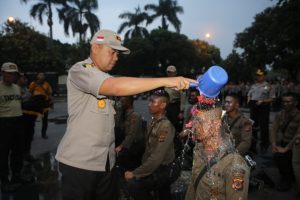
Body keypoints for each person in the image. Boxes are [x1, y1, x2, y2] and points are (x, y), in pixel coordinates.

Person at [55, 29, 196, 200]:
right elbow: (115, 86)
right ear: (95, 48)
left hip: (105, 163)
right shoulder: (81, 70)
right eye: (112, 52)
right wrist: (168, 80)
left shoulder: (104, 76)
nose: (116, 57)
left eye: (118, 54)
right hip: (80, 164)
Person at [185, 95, 250, 200]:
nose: (193, 126)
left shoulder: (234, 164)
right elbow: (193, 185)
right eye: (194, 120)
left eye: (200, 122)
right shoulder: (199, 149)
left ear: (216, 124)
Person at [124, 89, 175, 200]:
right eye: (149, 101)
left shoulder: (165, 126)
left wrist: (135, 173)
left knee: (133, 185)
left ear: (162, 105)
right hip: (154, 167)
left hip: (162, 170)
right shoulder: (153, 121)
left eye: (153, 102)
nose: (149, 104)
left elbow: (157, 157)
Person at [0, 62, 24, 193]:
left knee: (17, 152)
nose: (12, 77)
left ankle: (16, 176)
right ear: (2, 73)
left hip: (18, 120)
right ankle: (4, 181)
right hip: (4, 123)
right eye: (9, 74)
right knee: (3, 154)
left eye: (14, 74)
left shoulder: (16, 88)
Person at [270, 92, 300, 191]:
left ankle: (290, 177)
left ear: (295, 103)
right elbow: (274, 129)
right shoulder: (280, 114)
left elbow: (298, 135)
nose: (285, 104)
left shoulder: (298, 116)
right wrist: (274, 143)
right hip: (284, 142)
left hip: (295, 144)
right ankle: (286, 178)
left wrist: (286, 148)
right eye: (284, 102)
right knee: (277, 156)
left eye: (288, 101)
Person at [247, 69, 275, 153]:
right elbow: (249, 94)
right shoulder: (253, 85)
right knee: (253, 126)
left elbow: (272, 98)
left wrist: (263, 101)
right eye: (257, 75)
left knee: (264, 127)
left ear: (264, 76)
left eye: (260, 75)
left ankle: (264, 145)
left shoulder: (269, 86)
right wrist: (248, 100)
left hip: (263, 107)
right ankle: (253, 145)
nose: (258, 77)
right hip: (254, 106)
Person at [115, 96, 144, 171]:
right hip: (127, 144)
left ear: (128, 103)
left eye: (122, 102)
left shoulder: (135, 116)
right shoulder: (123, 114)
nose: (120, 104)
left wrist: (121, 147)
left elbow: (131, 134)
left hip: (134, 146)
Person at [28, 72, 53, 139]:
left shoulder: (46, 84)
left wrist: (51, 101)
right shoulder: (33, 83)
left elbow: (50, 93)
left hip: (45, 104)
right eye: (40, 75)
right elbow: (30, 92)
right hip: (35, 104)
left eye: (43, 75)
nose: (41, 76)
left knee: (45, 120)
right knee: (32, 120)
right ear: (37, 76)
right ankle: (31, 135)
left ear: (44, 77)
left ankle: (44, 134)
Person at [165, 65, 186, 132]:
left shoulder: (179, 83)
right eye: (168, 72)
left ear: (175, 73)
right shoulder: (165, 82)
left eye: (172, 72)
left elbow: (183, 97)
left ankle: (175, 140)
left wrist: (181, 111)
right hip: (167, 106)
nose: (170, 74)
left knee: (174, 126)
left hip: (175, 106)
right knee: (166, 124)